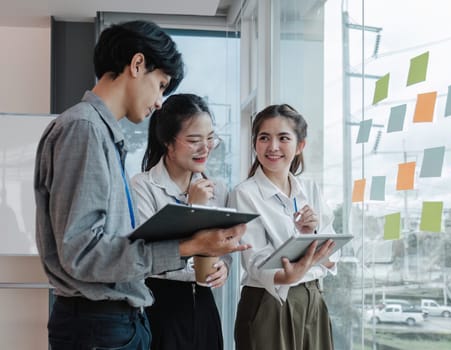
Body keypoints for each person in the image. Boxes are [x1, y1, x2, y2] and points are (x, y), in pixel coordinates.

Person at [34, 20, 248, 350]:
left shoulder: (99, 133)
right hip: (99, 325)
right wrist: (189, 246)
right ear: (137, 65)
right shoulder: (85, 130)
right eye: (161, 84)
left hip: (113, 322)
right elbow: (82, 253)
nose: (160, 102)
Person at [227, 104, 338, 350]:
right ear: (255, 144)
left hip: (313, 299)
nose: (273, 147)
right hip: (268, 303)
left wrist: (313, 234)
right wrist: (289, 273)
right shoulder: (245, 194)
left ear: (300, 146)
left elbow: (333, 257)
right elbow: (255, 260)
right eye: (264, 138)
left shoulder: (310, 190)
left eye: (283, 138)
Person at [131, 93, 229, 350]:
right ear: (167, 142)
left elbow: (221, 245)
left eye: (210, 139)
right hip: (160, 305)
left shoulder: (217, 188)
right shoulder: (143, 186)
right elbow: (143, 257)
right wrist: (191, 207)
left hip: (205, 305)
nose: (205, 148)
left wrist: (224, 267)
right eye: (194, 140)